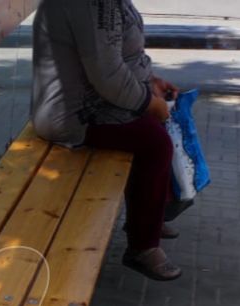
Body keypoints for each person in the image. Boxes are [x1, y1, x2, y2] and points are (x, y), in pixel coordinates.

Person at [31, 0, 181, 281]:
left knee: (154, 130)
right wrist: (150, 103)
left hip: (93, 102)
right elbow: (107, 75)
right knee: (156, 143)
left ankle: (149, 216)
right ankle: (142, 246)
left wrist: (150, 82)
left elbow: (119, 54)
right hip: (72, 116)